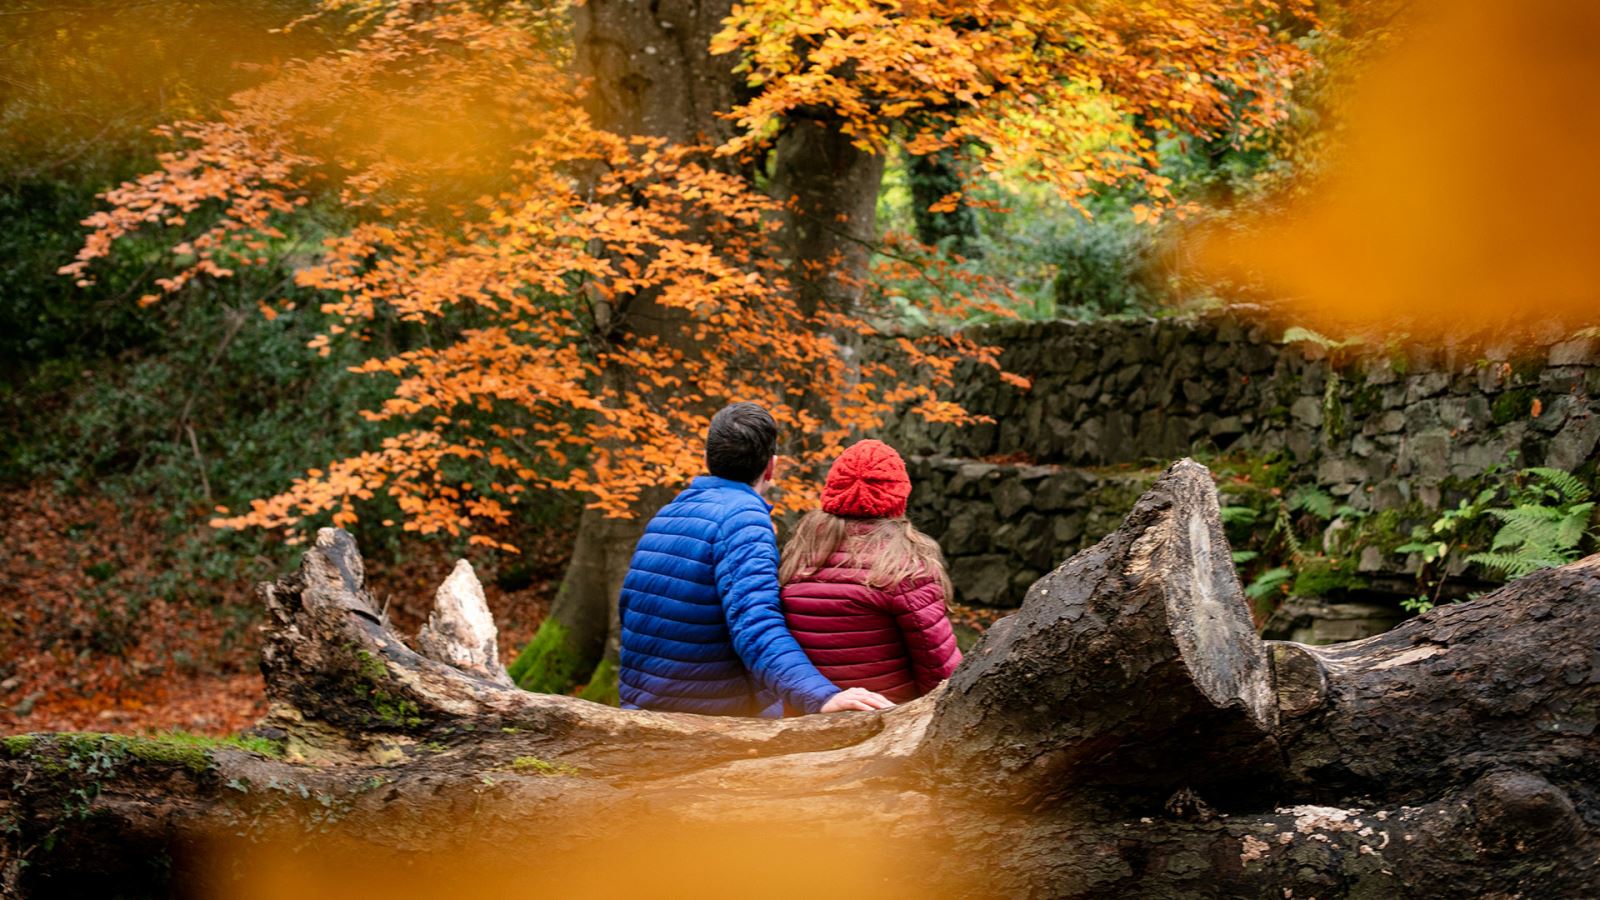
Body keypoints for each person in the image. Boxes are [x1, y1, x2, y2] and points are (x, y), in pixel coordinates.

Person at [617, 402, 895, 717]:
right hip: (709, 721)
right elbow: (755, 624)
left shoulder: (668, 513)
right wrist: (820, 696)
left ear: (706, 459)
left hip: (645, 707)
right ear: (771, 467)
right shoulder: (742, 518)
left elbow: (629, 612)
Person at [779, 439, 962, 703]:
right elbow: (938, 668)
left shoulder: (798, 554)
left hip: (809, 713)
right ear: (897, 498)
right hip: (885, 720)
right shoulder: (904, 567)